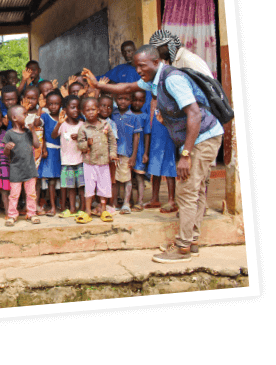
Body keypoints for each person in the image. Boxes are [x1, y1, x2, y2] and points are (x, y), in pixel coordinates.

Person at [82, 43, 224, 263]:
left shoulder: (172, 79)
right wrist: (97, 85)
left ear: (156, 63)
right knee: (195, 188)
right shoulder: (154, 81)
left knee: (186, 191)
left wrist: (185, 154)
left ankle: (183, 247)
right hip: (200, 138)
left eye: (142, 66)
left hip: (203, 138)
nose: (138, 71)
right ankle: (192, 240)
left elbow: (194, 115)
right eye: (136, 66)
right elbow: (126, 88)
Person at [76, 97, 118, 223]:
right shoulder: (83, 128)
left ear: (98, 110)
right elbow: (80, 144)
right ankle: (88, 210)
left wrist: (112, 154)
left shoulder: (106, 125)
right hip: (89, 162)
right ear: (83, 112)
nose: (90, 112)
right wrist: (86, 144)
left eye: (93, 109)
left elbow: (112, 141)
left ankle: (103, 209)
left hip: (104, 162)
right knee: (89, 186)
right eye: (87, 110)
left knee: (104, 186)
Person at [3, 105, 41, 226]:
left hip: (29, 168)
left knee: (31, 193)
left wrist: (33, 130)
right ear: (14, 118)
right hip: (16, 169)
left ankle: (31, 213)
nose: (27, 116)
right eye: (24, 114)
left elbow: (37, 145)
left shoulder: (29, 132)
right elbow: (5, 153)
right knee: (14, 194)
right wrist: (7, 147)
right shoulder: (9, 134)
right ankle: (12, 215)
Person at [51, 95, 85, 218]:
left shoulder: (82, 124)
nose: (76, 110)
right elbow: (54, 135)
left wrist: (80, 137)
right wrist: (58, 123)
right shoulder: (63, 124)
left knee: (81, 186)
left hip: (80, 160)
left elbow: (87, 138)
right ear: (65, 110)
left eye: (78, 108)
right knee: (70, 187)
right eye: (72, 107)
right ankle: (72, 208)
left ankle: (82, 208)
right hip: (66, 162)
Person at [110, 93, 142, 214]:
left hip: (126, 153)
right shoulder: (113, 114)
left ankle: (126, 203)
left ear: (131, 101)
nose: (123, 101)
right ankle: (115, 202)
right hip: (113, 153)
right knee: (115, 179)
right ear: (115, 99)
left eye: (126, 99)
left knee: (127, 178)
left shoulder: (134, 117)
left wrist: (133, 156)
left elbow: (136, 137)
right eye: (120, 98)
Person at [38, 90, 63, 216]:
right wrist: (40, 108)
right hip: (50, 151)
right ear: (47, 105)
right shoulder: (44, 116)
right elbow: (38, 127)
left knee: (62, 180)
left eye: (56, 103)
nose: (53, 106)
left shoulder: (65, 116)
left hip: (64, 151)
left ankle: (62, 205)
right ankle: (52, 207)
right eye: (51, 104)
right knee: (51, 181)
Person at [130, 89, 151, 210]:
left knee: (139, 176)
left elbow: (147, 134)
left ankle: (140, 201)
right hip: (128, 150)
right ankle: (130, 200)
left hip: (140, 151)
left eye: (140, 101)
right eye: (135, 100)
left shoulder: (145, 116)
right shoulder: (126, 114)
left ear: (144, 102)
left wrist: (146, 153)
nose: (137, 103)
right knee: (129, 177)